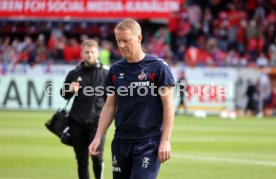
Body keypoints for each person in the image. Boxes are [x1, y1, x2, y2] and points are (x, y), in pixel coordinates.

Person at [88, 18, 175, 179]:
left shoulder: (158, 67)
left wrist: (165, 141)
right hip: (121, 142)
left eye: (126, 40)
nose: (121, 46)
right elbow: (109, 106)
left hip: (148, 143)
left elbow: (168, 106)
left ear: (139, 38)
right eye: (118, 41)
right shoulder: (115, 70)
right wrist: (98, 136)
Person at [61, 39, 108, 179]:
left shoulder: (106, 73)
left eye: (92, 52)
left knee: (97, 157)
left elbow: (112, 99)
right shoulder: (74, 73)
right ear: (81, 54)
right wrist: (69, 90)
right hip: (76, 122)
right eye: (86, 52)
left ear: (97, 53)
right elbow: (63, 94)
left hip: (97, 123)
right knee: (81, 161)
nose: (89, 55)